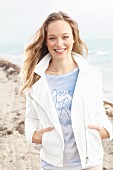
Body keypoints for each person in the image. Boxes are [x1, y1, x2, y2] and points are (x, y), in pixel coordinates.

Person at [19, 11, 113, 170]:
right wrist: (34, 136)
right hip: (52, 164)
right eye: (52, 38)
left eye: (65, 37)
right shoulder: (35, 78)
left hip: (90, 163)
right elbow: (31, 117)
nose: (59, 43)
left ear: (74, 37)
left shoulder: (91, 74)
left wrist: (104, 131)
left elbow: (98, 112)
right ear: (45, 42)